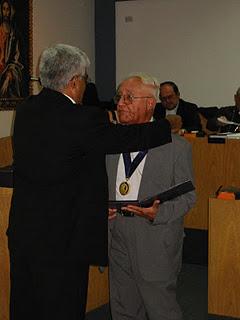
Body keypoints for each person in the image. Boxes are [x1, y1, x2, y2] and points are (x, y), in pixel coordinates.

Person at [7, 44, 172, 320]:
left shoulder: (25, 110)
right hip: (63, 241)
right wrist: (167, 125)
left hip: (25, 232)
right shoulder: (82, 118)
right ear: (74, 82)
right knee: (63, 308)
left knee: (25, 306)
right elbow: (127, 139)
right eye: (85, 79)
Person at [107, 73, 196, 320]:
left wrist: (158, 213)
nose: (120, 102)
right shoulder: (109, 143)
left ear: (149, 104)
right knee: (123, 307)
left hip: (155, 236)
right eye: (119, 96)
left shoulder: (177, 148)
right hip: (117, 234)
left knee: (161, 310)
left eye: (129, 97)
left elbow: (188, 197)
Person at [0, 0, 23, 97]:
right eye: (3, 9)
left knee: (10, 78)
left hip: (9, 68)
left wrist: (10, 71)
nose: (6, 12)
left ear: (11, 11)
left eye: (7, 9)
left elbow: (16, 57)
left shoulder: (14, 34)